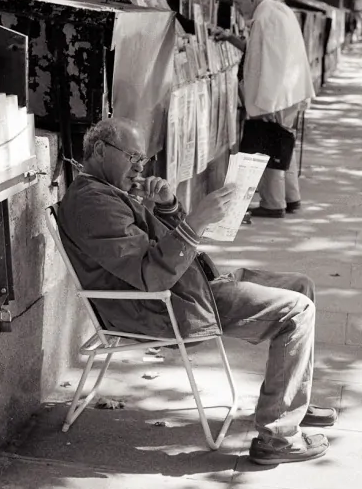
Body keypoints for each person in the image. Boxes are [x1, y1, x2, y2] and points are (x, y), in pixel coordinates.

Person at [58, 118, 336, 465]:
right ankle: (277, 437)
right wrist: (197, 221)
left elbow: (159, 249)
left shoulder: (107, 192)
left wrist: (169, 205)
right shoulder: (93, 203)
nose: (139, 168)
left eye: (143, 160)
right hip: (166, 307)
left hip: (189, 289)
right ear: (99, 150)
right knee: (297, 310)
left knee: (302, 285)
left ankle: (292, 399)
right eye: (132, 157)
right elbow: (150, 275)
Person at [229, 0, 315, 219]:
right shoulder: (278, 11)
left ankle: (273, 203)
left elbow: (269, 66)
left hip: (277, 96)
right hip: (288, 93)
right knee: (283, 142)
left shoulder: (266, 19)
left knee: (270, 145)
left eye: (238, 3)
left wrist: (264, 103)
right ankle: (291, 197)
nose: (237, 9)